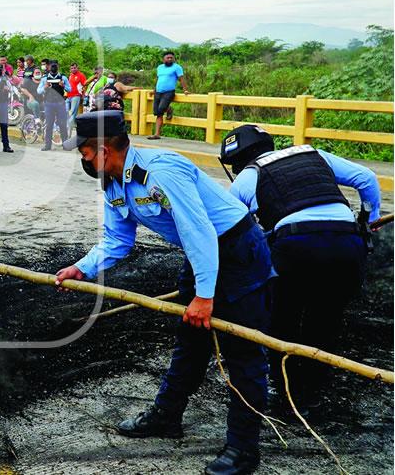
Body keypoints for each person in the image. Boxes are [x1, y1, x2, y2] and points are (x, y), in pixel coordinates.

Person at [58, 110, 272, 475]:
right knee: (191, 339)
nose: (83, 159)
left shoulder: (161, 172)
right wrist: (83, 267)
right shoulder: (113, 183)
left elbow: (198, 230)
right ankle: (167, 415)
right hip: (201, 252)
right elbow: (117, 238)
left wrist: (204, 296)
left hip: (238, 251)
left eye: (85, 152)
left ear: (103, 150)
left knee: (243, 351)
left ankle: (243, 449)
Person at [219, 125, 380, 413]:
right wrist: (369, 218)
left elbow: (233, 229)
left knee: (283, 319)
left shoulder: (246, 177)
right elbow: (366, 178)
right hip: (347, 243)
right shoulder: (313, 154)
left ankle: (289, 395)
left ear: (238, 160)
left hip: (296, 246)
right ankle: (314, 391)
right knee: (326, 318)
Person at [149, 51, 188, 140]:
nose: (170, 59)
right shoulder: (160, 67)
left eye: (171, 58)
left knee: (161, 108)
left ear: (174, 59)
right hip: (158, 92)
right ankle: (157, 134)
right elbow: (158, 79)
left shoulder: (177, 67)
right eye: (168, 58)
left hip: (169, 92)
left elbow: (181, 79)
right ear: (164, 59)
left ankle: (168, 108)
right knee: (158, 113)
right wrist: (154, 90)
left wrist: (185, 90)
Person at [36, 61, 69, 151]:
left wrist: (63, 86)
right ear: (49, 66)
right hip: (49, 103)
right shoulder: (44, 78)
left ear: (58, 66)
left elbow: (70, 89)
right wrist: (45, 87)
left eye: (55, 65)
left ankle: (65, 144)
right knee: (49, 124)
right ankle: (47, 145)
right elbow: (38, 91)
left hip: (60, 103)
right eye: (51, 65)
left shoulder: (63, 77)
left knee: (62, 124)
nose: (53, 67)